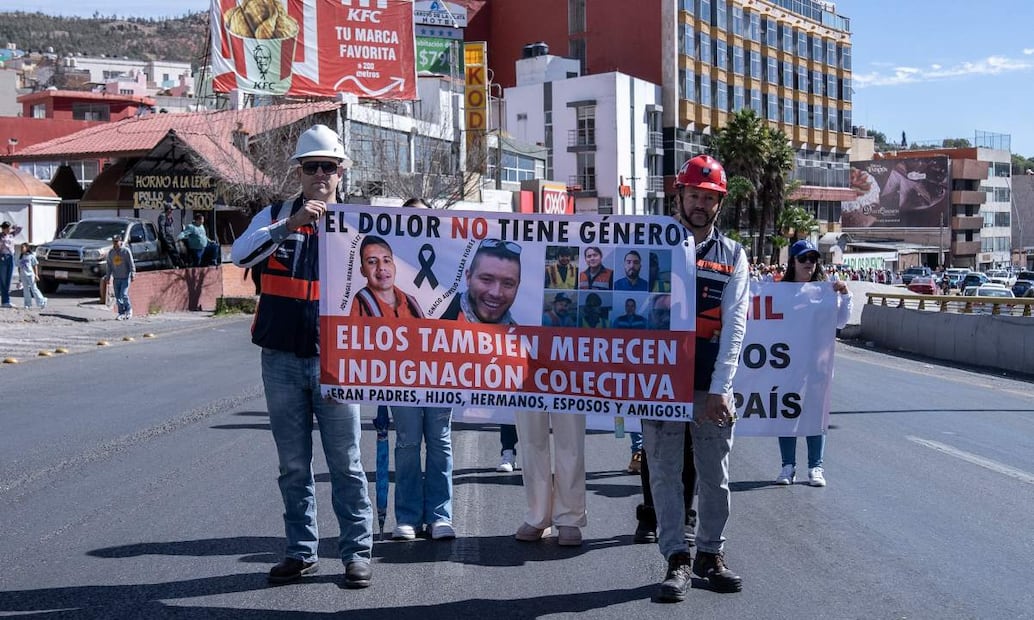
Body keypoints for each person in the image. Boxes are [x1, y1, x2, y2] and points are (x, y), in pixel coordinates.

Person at [230, 124, 373, 589]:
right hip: (282, 361)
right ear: (299, 172)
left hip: (338, 364)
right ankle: (301, 551)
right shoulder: (274, 216)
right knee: (293, 466)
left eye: (327, 167)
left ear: (341, 172)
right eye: (311, 167)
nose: (319, 175)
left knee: (346, 464)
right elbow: (240, 257)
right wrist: (288, 225)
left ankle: (357, 553)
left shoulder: (359, 225)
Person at [643, 154, 748, 601]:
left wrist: (722, 389)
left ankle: (710, 554)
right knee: (665, 475)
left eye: (709, 198)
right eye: (693, 195)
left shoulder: (734, 255)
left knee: (714, 476)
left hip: (708, 388)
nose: (700, 204)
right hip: (658, 385)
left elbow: (736, 324)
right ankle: (676, 559)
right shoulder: (650, 244)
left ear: (718, 203)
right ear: (679, 195)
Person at [443, 239, 587, 546]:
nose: (496, 291)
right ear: (469, 275)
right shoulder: (458, 308)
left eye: (508, 282)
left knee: (570, 440)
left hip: (567, 361)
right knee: (532, 440)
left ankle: (570, 518)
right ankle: (538, 516)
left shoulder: (568, 252)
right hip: (521, 367)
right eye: (487, 278)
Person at [350, 233, 455, 541]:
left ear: (395, 264)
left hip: (436, 379)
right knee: (408, 444)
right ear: (362, 269)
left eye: (385, 261)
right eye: (372, 262)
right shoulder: (362, 302)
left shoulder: (410, 299)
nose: (381, 268)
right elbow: (353, 347)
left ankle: (440, 516)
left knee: (439, 443)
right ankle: (408, 516)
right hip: (400, 384)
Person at [775, 239, 853, 488]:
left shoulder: (825, 291)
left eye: (813, 258)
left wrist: (846, 295)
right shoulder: (780, 290)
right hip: (786, 364)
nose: (809, 263)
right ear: (793, 262)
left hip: (816, 365)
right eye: (803, 258)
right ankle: (788, 466)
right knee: (787, 415)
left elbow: (840, 322)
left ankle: (815, 467)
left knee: (815, 416)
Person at [105, 235, 135, 320]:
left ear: (120, 241)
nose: (115, 243)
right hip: (116, 278)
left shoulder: (126, 251)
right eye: (114, 241)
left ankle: (129, 310)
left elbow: (131, 263)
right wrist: (108, 277)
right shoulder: (111, 252)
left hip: (125, 277)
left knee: (124, 294)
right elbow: (109, 266)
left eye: (117, 241)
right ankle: (121, 313)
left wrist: (133, 273)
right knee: (118, 297)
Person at [17, 243, 47, 309]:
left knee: (34, 289)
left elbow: (35, 265)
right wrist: (20, 278)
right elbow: (19, 267)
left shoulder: (31, 256)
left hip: (30, 275)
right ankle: (27, 304)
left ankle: (42, 301)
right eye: (21, 248)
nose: (21, 249)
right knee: (25, 290)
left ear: (26, 248)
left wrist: (36, 275)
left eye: (23, 247)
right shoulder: (21, 257)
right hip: (23, 275)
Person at [0, 220, 22, 308]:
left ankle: (7, 300)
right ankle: (5, 301)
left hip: (11, 257)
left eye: (9, 228)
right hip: (3, 257)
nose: (9, 230)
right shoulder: (0, 236)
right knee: (3, 280)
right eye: (7, 228)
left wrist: (13, 227)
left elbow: (20, 228)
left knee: (9, 279)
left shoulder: (11, 235)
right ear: (3, 229)